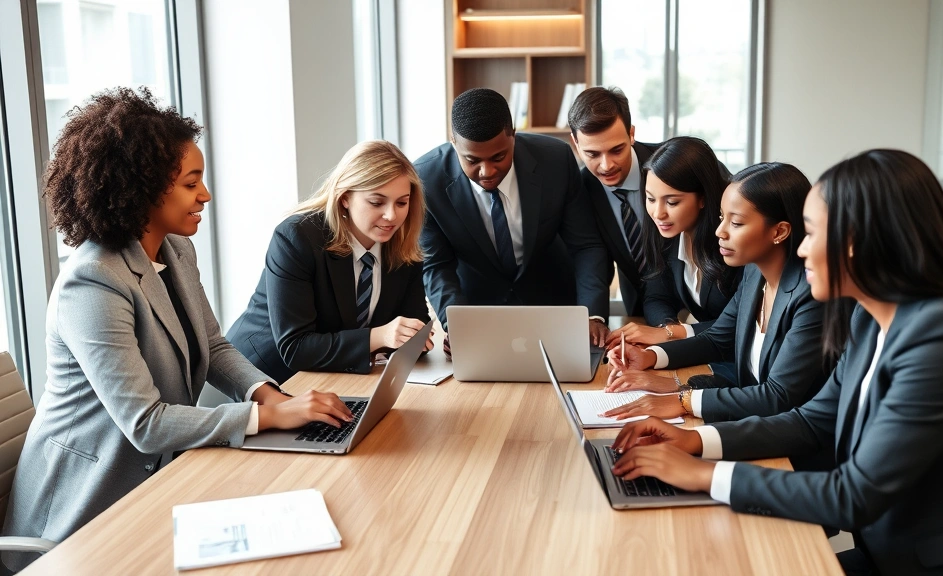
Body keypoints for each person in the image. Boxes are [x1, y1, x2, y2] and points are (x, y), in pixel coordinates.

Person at [608, 149, 943, 575]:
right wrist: (692, 442)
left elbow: (853, 495)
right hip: (888, 552)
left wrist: (703, 475)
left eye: (812, 233)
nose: (802, 250)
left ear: (862, 241)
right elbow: (810, 421)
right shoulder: (870, 318)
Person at [1, 88, 351, 571]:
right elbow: (146, 424)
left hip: (159, 482)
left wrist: (270, 397)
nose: (205, 195)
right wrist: (266, 418)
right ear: (142, 188)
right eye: (191, 183)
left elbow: (214, 346)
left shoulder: (175, 250)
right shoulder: (93, 283)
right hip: (81, 516)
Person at [603, 163, 834, 425]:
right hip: (751, 422)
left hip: (790, 437)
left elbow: (776, 396)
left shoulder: (811, 295)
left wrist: (683, 400)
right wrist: (650, 356)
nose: (719, 232)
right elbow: (717, 339)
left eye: (736, 223)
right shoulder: (754, 273)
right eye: (722, 217)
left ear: (779, 231)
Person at [415, 88, 611, 348]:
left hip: (555, 308)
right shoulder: (426, 179)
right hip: (479, 317)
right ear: (454, 142)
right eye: (472, 160)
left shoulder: (555, 159)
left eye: (498, 157)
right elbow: (436, 265)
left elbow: (585, 245)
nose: (487, 171)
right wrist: (456, 325)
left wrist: (592, 314)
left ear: (514, 136)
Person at [227, 140, 432, 383]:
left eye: (402, 202)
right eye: (377, 202)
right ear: (344, 198)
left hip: (337, 377)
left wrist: (416, 338)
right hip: (263, 376)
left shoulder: (402, 246)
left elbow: (413, 319)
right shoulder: (296, 237)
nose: (391, 215)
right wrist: (380, 337)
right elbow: (296, 347)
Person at [605, 136, 742, 348]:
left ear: (703, 197)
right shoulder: (669, 236)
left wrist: (674, 333)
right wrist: (666, 328)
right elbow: (656, 297)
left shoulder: (733, 243)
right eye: (651, 199)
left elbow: (743, 323)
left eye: (672, 202)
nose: (658, 213)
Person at [567, 86, 666, 318]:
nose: (606, 165)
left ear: (631, 134)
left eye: (616, 150)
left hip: (700, 303)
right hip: (640, 308)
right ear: (575, 143)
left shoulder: (669, 163)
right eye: (592, 154)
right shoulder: (578, 190)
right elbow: (591, 259)